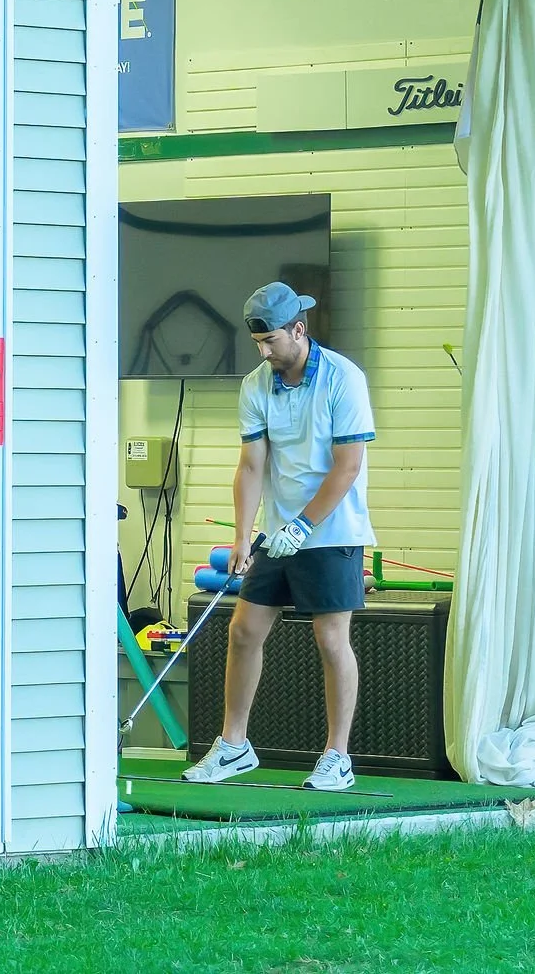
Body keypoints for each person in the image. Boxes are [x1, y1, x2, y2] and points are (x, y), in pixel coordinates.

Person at [184, 281, 375, 793]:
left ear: (298, 329)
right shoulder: (256, 385)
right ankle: (235, 746)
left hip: (333, 530)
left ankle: (338, 756)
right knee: (243, 632)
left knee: (331, 639)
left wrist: (304, 524)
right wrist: (245, 536)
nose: (265, 352)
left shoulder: (343, 379)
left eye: (271, 341)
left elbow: (348, 465)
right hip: (277, 532)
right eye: (258, 344)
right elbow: (251, 465)